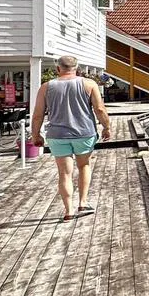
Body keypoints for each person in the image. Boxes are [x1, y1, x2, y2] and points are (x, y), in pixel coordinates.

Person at [31, 56, 112, 221]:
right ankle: (83, 203)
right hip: (84, 133)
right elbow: (99, 109)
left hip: (57, 135)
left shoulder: (46, 87)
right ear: (77, 68)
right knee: (84, 166)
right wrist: (107, 127)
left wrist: (35, 135)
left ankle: (68, 211)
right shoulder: (89, 84)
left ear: (58, 69)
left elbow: (38, 115)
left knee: (64, 173)